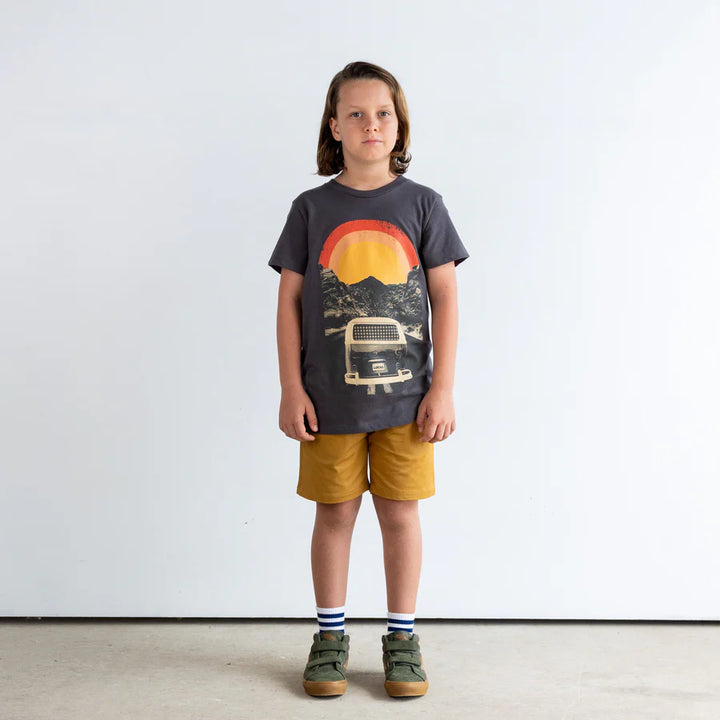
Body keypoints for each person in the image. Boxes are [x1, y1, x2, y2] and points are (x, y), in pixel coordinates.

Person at [268, 60, 468, 698]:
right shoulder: (310, 208)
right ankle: (330, 636)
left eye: (382, 113)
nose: (370, 124)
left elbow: (445, 297)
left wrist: (443, 388)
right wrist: (291, 387)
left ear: (399, 125)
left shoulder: (423, 204)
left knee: (401, 515)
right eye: (355, 114)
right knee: (333, 514)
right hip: (327, 402)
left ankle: (402, 637)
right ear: (334, 127)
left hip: (408, 403)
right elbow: (288, 302)